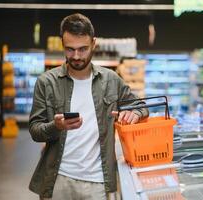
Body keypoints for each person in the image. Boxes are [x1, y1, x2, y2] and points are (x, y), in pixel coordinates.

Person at [28, 13, 149, 200]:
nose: (76, 56)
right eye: (70, 49)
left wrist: (135, 113)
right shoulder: (47, 82)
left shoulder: (111, 80)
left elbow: (141, 106)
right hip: (58, 179)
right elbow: (35, 130)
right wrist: (55, 127)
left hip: (98, 181)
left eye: (83, 49)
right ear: (62, 44)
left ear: (94, 43)